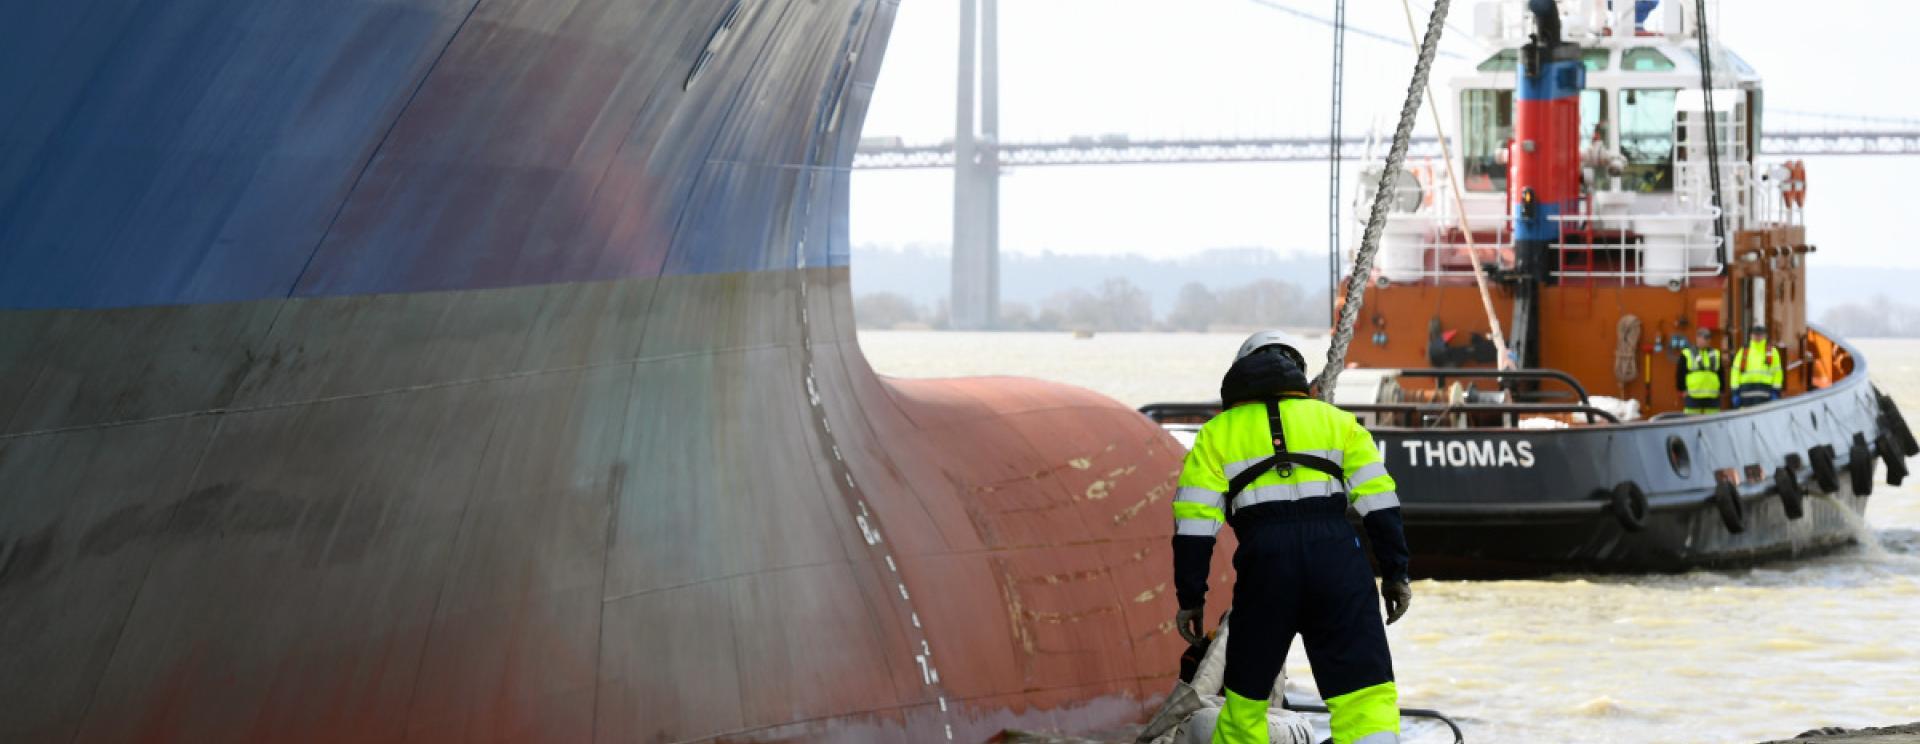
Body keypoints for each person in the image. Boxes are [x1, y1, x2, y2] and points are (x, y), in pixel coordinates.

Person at [1171, 330, 1411, 744]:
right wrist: (1395, 574)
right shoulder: (1338, 423)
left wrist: (1191, 598)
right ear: (1298, 372)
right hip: (1338, 561)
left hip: (1266, 565)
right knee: (1365, 697)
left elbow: (1194, 528)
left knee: (1245, 702)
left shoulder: (1215, 435)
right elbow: (1382, 506)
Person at [1730, 324, 1783, 407]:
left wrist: (1775, 391)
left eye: (1760, 334)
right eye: (1755, 334)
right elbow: (1735, 372)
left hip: (1766, 394)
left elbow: (1777, 373)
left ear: (1765, 335)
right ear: (1751, 335)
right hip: (1745, 394)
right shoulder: (1743, 351)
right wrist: (1735, 392)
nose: (1758, 337)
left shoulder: (1772, 352)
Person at [1677, 326, 1723, 415]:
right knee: (1691, 422)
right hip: (1693, 395)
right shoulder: (1687, 353)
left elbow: (1720, 373)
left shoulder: (1716, 353)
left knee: (1712, 422)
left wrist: (1721, 389)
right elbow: (1680, 373)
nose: (1707, 341)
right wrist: (1682, 389)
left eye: (1709, 338)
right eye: (1705, 338)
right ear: (1698, 338)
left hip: (1712, 395)